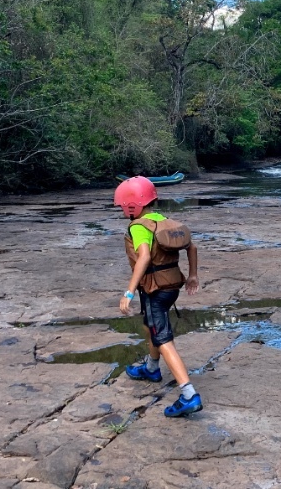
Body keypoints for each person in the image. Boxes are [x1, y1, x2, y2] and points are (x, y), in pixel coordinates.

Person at [114, 176, 203, 418]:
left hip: (155, 289)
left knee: (162, 338)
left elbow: (143, 257)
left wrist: (129, 292)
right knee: (149, 324)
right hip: (171, 286)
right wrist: (192, 276)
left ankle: (189, 394)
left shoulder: (139, 226)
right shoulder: (165, 221)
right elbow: (192, 247)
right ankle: (151, 369)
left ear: (132, 204)